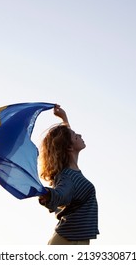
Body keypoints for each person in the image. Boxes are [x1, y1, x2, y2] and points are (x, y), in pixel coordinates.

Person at [38, 105, 99, 245]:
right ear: (69, 147)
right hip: (69, 241)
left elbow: (66, 140)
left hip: (72, 240)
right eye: (75, 136)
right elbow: (60, 194)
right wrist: (48, 194)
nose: (80, 136)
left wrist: (64, 119)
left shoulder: (69, 171)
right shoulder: (68, 177)